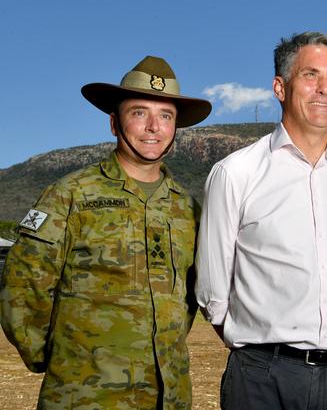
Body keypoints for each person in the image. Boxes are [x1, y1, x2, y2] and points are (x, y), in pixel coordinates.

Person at [0, 56, 212, 409]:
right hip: (84, 395)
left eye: (166, 116)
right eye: (139, 112)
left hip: (169, 397)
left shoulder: (188, 209)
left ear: (175, 128)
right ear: (114, 123)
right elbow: (22, 285)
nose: (153, 127)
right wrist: (61, 360)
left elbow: (189, 298)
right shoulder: (71, 194)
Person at [195, 31, 327, 410]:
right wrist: (266, 353)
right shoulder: (236, 173)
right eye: (311, 75)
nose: (325, 89)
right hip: (264, 377)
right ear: (280, 87)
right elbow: (213, 290)